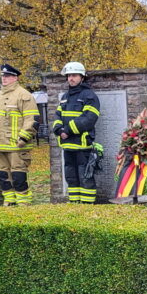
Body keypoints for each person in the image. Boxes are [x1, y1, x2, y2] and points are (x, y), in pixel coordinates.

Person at [0, 63, 37, 206]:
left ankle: (23, 203)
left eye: (7, 76)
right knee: (3, 175)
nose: (4, 79)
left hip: (16, 145)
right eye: (3, 76)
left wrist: (23, 138)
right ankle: (9, 202)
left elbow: (32, 120)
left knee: (18, 176)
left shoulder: (24, 95)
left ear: (15, 78)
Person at [52, 62, 100, 204]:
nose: (70, 78)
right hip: (68, 145)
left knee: (85, 176)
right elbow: (57, 116)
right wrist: (58, 129)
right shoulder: (65, 96)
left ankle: (87, 205)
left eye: (74, 75)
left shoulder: (89, 96)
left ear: (82, 77)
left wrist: (67, 130)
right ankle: (74, 204)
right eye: (68, 76)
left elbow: (89, 119)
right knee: (71, 176)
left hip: (82, 145)